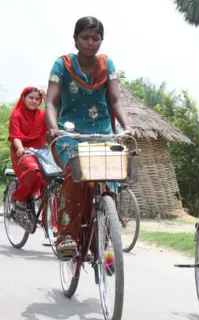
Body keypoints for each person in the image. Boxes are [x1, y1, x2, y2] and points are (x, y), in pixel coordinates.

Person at [45, 16, 131, 260]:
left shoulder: (107, 64)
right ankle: (67, 235)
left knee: (106, 180)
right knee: (76, 171)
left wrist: (126, 126)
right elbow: (50, 102)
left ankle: (101, 240)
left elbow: (115, 99)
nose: (91, 42)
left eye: (96, 38)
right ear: (75, 40)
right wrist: (53, 128)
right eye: (85, 37)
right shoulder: (62, 65)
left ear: (101, 41)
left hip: (101, 131)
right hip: (69, 133)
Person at [8, 87, 48, 209]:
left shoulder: (41, 115)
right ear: (23, 98)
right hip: (22, 152)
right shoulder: (16, 114)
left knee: (49, 179)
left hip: (40, 152)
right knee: (33, 170)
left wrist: (46, 99)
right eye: (31, 97)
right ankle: (19, 198)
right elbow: (15, 135)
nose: (34, 101)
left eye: (37, 99)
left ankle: (48, 216)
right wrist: (20, 149)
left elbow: (53, 118)